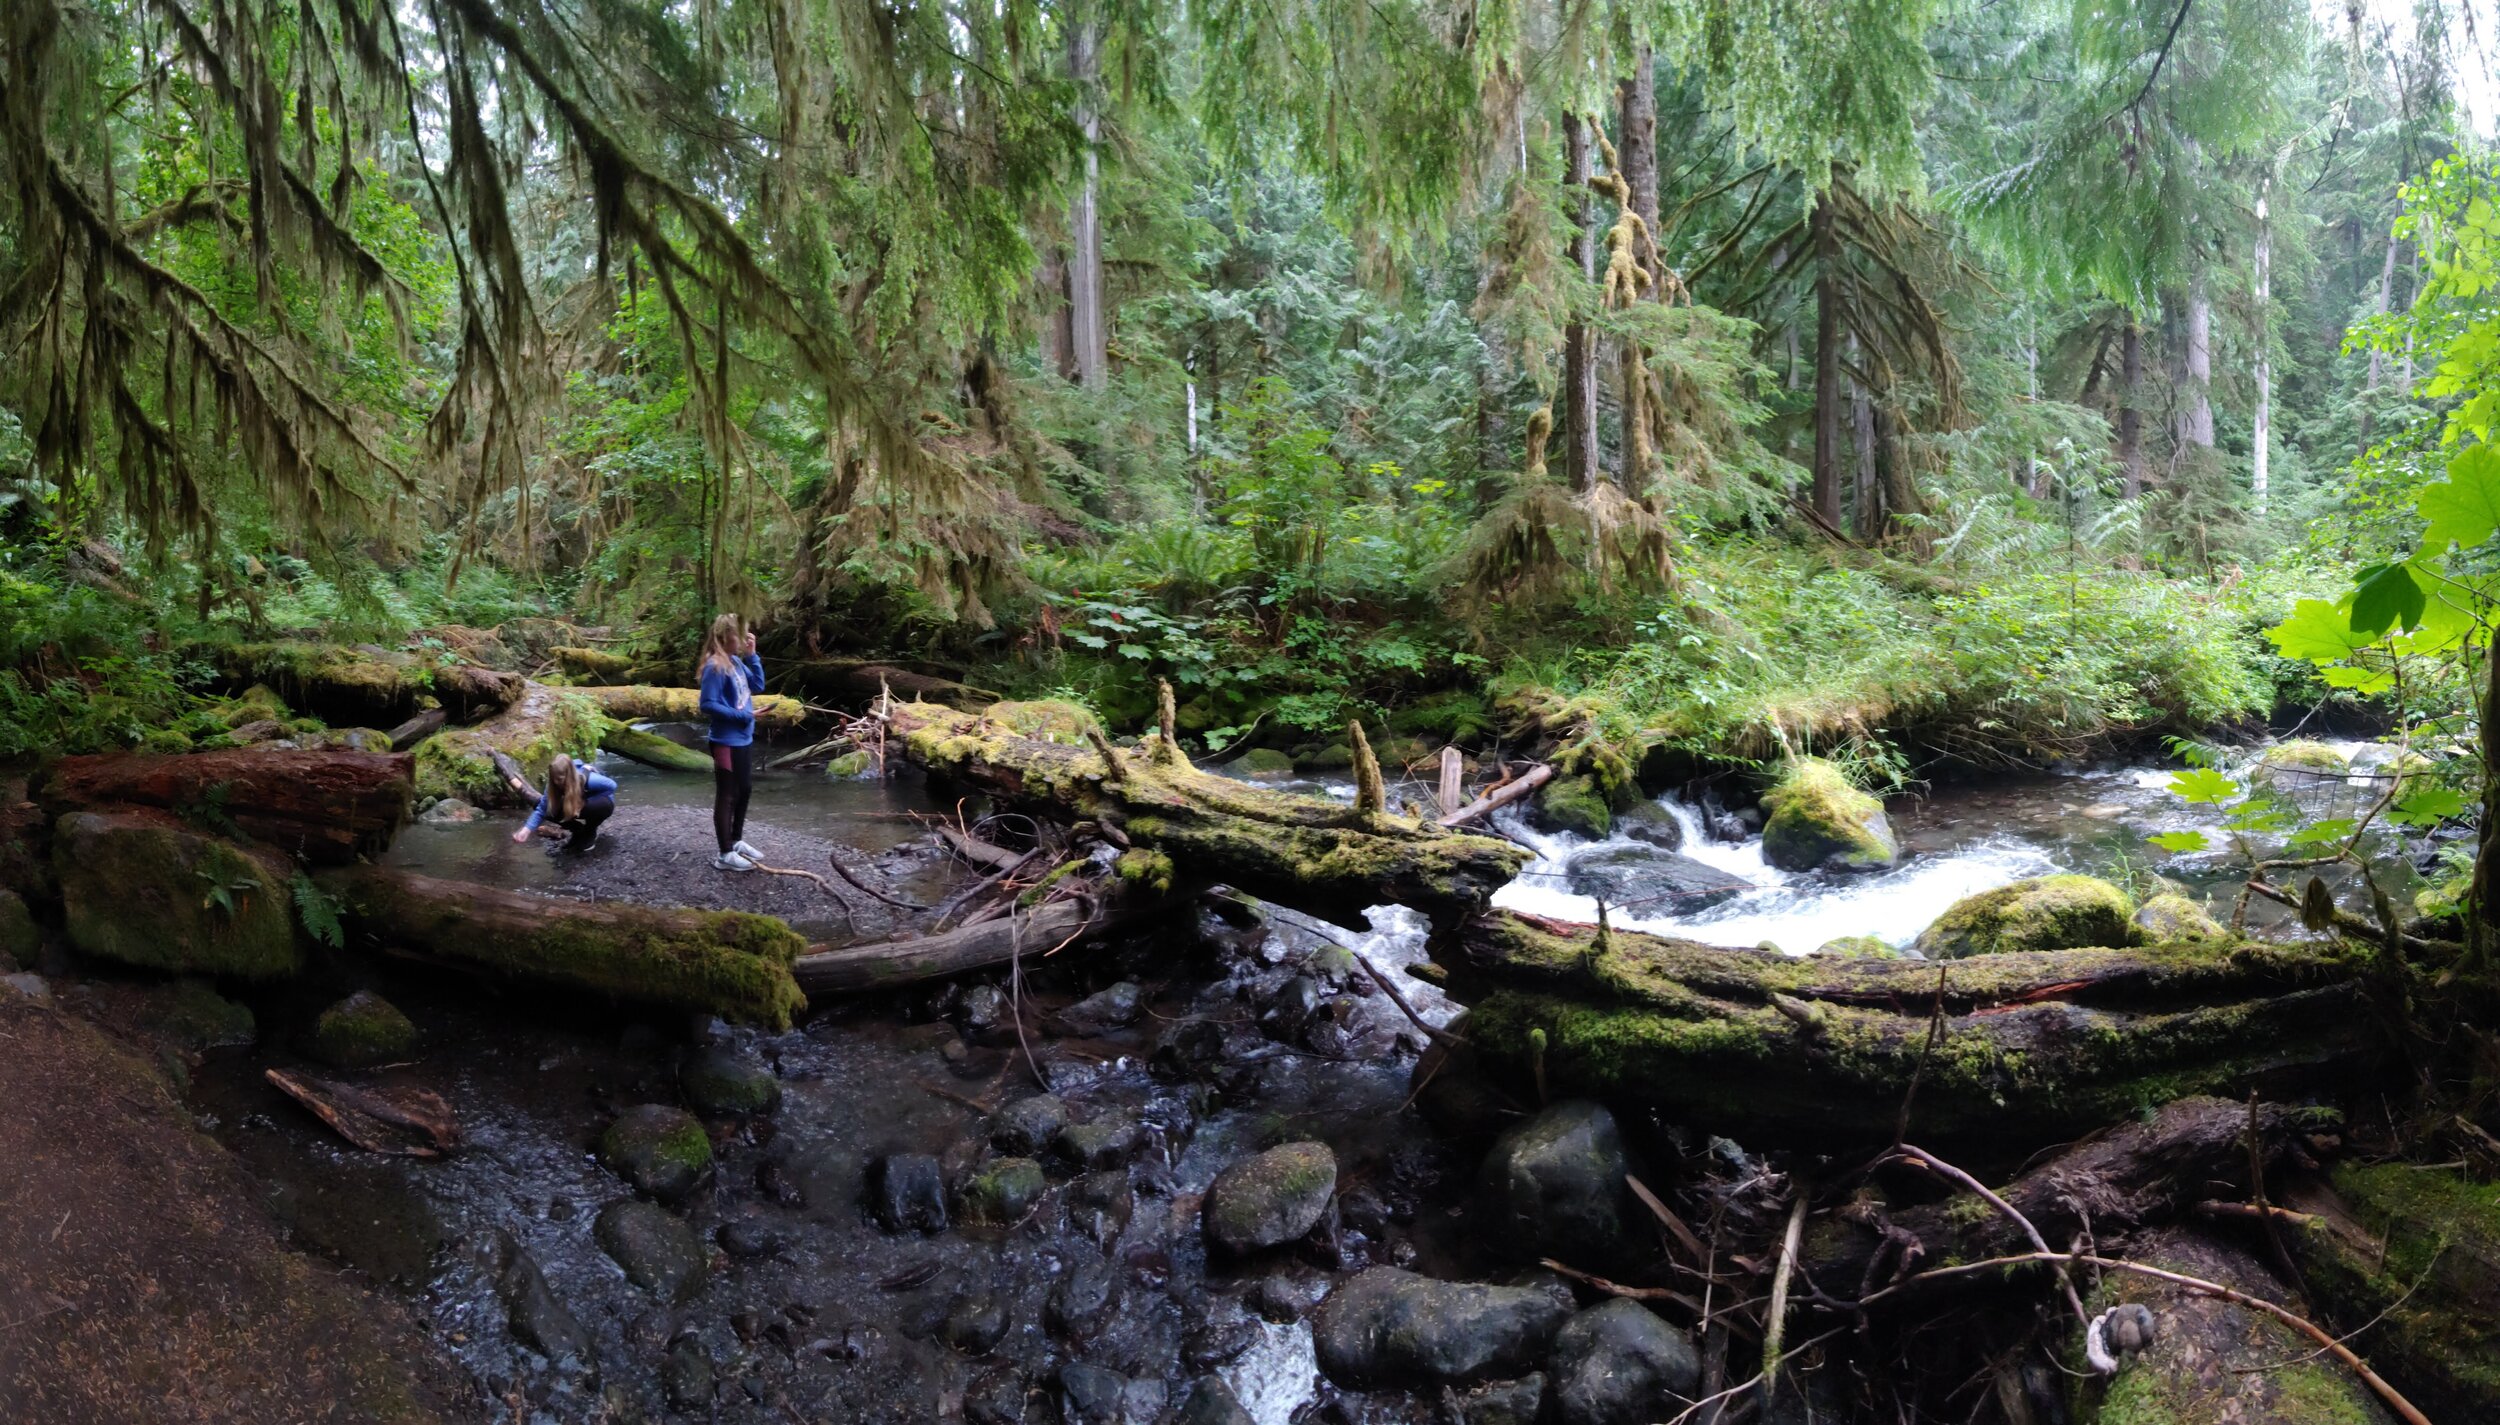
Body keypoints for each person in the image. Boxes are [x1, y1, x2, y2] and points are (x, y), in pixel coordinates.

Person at [698, 613, 768, 871]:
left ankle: (736, 840)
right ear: (726, 636)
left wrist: (752, 655)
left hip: (743, 737)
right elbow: (707, 704)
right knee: (727, 794)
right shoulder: (714, 666)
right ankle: (724, 854)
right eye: (740, 634)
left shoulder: (736, 662)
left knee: (745, 789)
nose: (743, 638)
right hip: (725, 740)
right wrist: (742, 715)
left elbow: (758, 685)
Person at [511, 753, 617, 852]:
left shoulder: (587, 778)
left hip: (601, 804)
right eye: (554, 779)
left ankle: (590, 830)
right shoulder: (552, 786)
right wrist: (525, 831)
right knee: (544, 806)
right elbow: (542, 810)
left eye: (560, 779)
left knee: (587, 807)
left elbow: (612, 785)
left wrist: (586, 800)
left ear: (569, 775)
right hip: (577, 804)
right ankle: (578, 831)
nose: (557, 783)